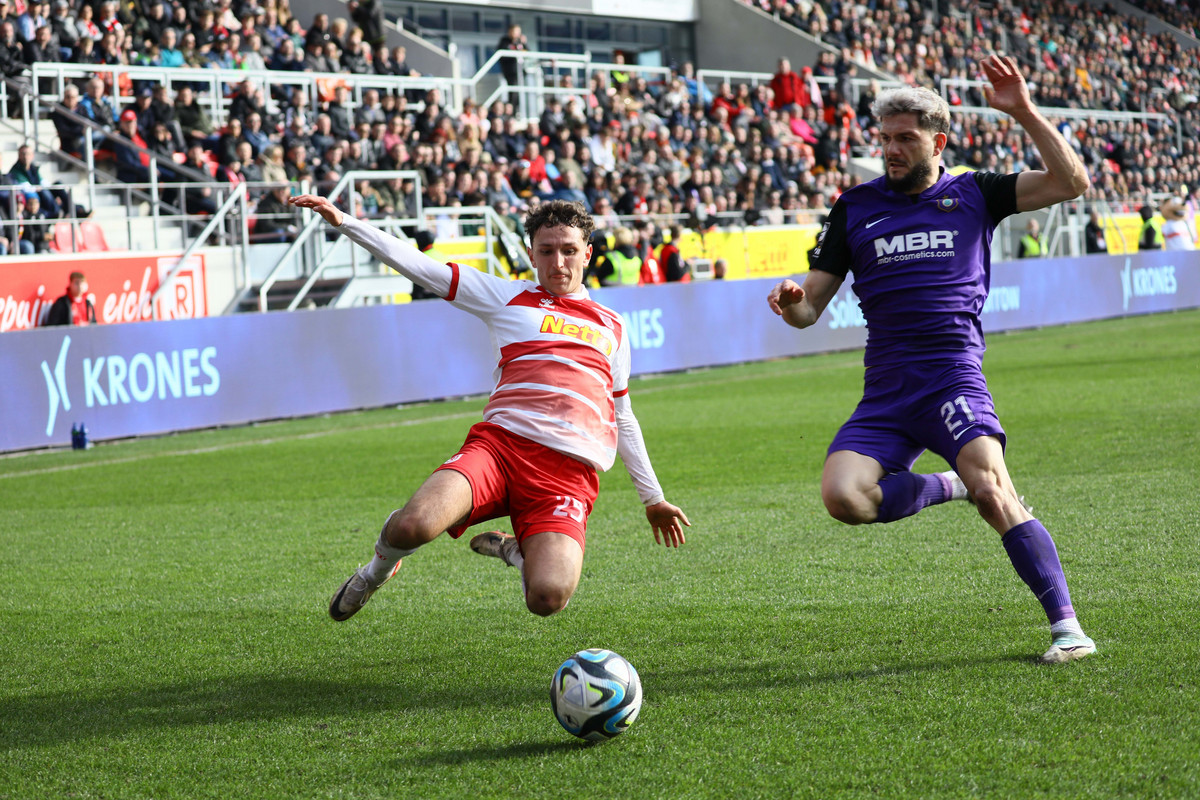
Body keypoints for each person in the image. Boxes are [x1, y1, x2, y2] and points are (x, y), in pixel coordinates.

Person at [766, 55, 1095, 664]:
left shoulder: (975, 192)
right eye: (884, 138)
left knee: (996, 492)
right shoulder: (855, 206)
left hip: (951, 375)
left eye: (904, 138)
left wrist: (1022, 109)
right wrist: (792, 303)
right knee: (844, 498)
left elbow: (1071, 182)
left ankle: (1067, 626)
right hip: (886, 390)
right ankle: (948, 485)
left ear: (937, 141)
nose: (890, 149)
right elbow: (811, 306)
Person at [287, 193, 690, 620]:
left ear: (587, 253)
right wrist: (346, 221)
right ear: (531, 254)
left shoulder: (612, 326)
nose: (559, 263)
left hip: (566, 477)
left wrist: (653, 498)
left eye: (569, 251)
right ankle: (372, 574)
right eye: (547, 251)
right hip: (500, 450)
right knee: (412, 527)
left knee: (548, 597)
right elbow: (422, 267)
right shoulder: (506, 298)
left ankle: (515, 552)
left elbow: (621, 414)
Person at [496, 23, 527, 104]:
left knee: (520, 91)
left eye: (518, 32)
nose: (516, 34)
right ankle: (512, 109)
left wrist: (523, 43)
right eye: (514, 31)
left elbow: (527, 52)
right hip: (510, 71)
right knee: (513, 91)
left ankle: (517, 109)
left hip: (520, 70)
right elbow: (502, 53)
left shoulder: (520, 42)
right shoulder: (505, 41)